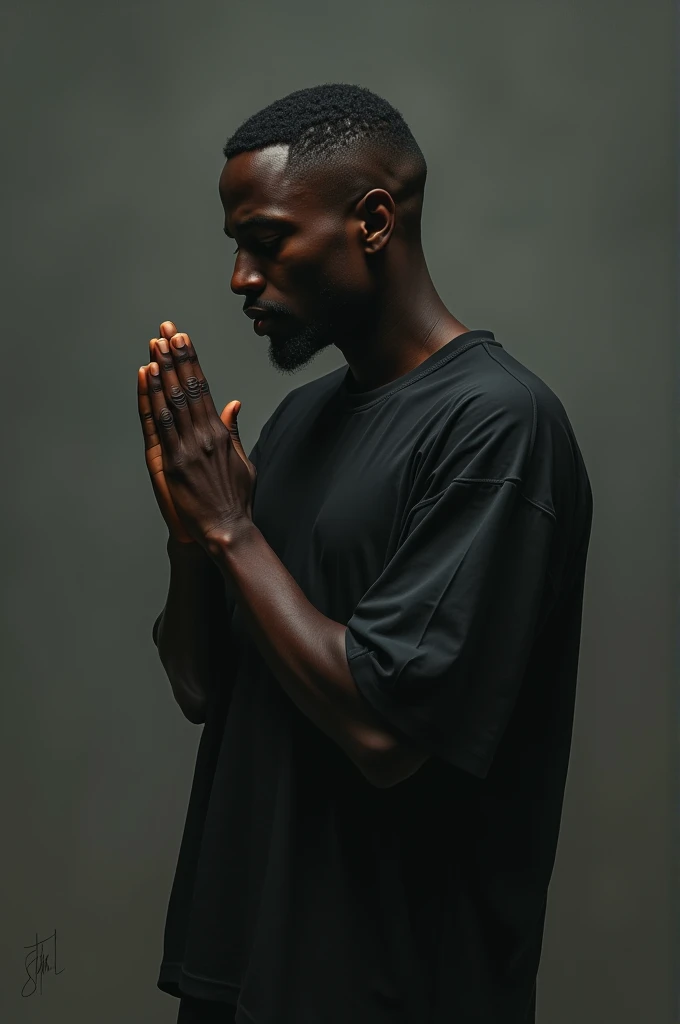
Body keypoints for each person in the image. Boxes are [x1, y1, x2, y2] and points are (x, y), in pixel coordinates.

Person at [149, 83, 593, 1024]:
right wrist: (195, 536)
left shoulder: (498, 429)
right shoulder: (303, 420)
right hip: (236, 981)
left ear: (374, 221)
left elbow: (388, 734)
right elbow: (201, 689)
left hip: (387, 991)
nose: (240, 278)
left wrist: (235, 528)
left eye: (266, 241)